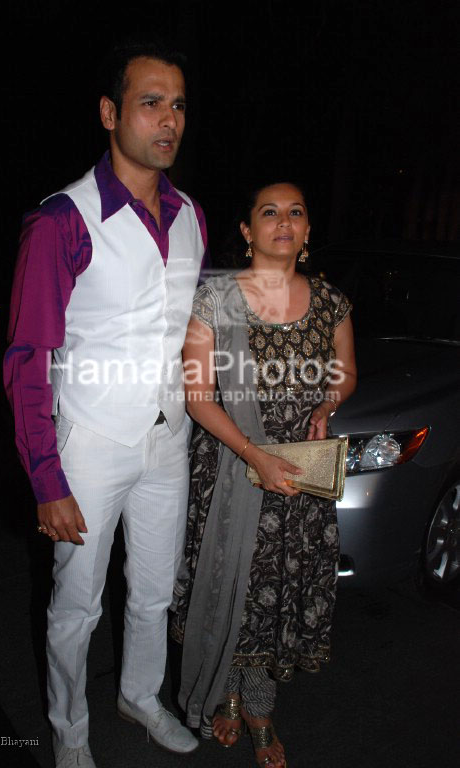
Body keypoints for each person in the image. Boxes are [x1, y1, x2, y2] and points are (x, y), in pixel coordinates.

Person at [4, 41, 207, 768]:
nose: (168, 119)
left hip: (167, 441)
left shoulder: (189, 215)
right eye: (151, 102)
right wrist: (46, 477)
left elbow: (184, 330)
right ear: (109, 113)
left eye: (178, 104)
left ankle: (141, 695)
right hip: (89, 443)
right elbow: (25, 359)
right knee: (76, 607)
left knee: (155, 590)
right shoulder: (63, 219)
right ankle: (70, 733)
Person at [170, 182, 356, 767]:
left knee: (274, 595)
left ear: (306, 232)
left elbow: (345, 374)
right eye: (269, 212)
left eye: (296, 212)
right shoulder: (217, 300)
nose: (284, 221)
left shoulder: (331, 303)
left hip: (298, 475)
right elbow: (198, 396)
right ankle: (226, 693)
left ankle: (258, 705)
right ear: (248, 231)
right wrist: (254, 454)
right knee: (232, 581)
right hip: (232, 462)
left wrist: (326, 406)